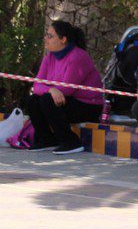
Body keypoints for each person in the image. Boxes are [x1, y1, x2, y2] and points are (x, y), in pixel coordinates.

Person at [22, 20, 106, 154]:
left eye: (50, 36)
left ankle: (70, 142)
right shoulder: (49, 56)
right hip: (63, 100)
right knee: (33, 100)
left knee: (47, 100)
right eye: (46, 35)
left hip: (88, 106)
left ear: (63, 39)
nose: (46, 39)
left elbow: (66, 90)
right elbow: (37, 84)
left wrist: (50, 90)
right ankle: (47, 139)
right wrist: (50, 89)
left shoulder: (78, 56)